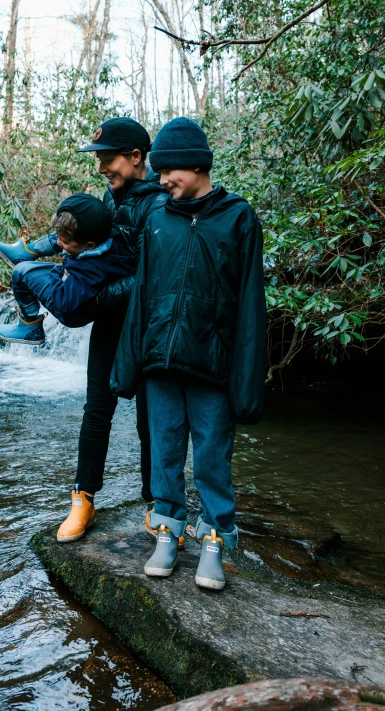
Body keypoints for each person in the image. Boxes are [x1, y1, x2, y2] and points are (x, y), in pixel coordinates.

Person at [0, 117, 171, 543]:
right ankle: (83, 499)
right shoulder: (109, 196)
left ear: (136, 157)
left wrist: (95, 298)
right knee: (96, 411)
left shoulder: (158, 206)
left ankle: (156, 503)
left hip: (143, 325)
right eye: (100, 159)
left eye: (108, 159)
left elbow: (150, 274)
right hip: (108, 324)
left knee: (149, 420)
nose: (102, 166)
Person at [111, 117, 267, 591]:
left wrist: (246, 382)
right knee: (164, 449)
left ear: (195, 165)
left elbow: (249, 306)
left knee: (213, 456)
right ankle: (168, 529)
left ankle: (216, 538)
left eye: (168, 173)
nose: (161, 182)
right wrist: (127, 365)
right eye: (158, 173)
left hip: (211, 363)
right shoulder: (158, 219)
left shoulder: (239, 217)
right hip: (160, 360)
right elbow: (141, 294)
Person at [0, 194, 135, 345]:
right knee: (70, 230)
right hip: (75, 288)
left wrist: (59, 271)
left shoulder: (90, 270)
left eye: (65, 242)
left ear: (90, 245)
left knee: (20, 272)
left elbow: (63, 303)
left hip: (71, 310)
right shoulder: (108, 240)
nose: (59, 243)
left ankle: (29, 326)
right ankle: (26, 251)